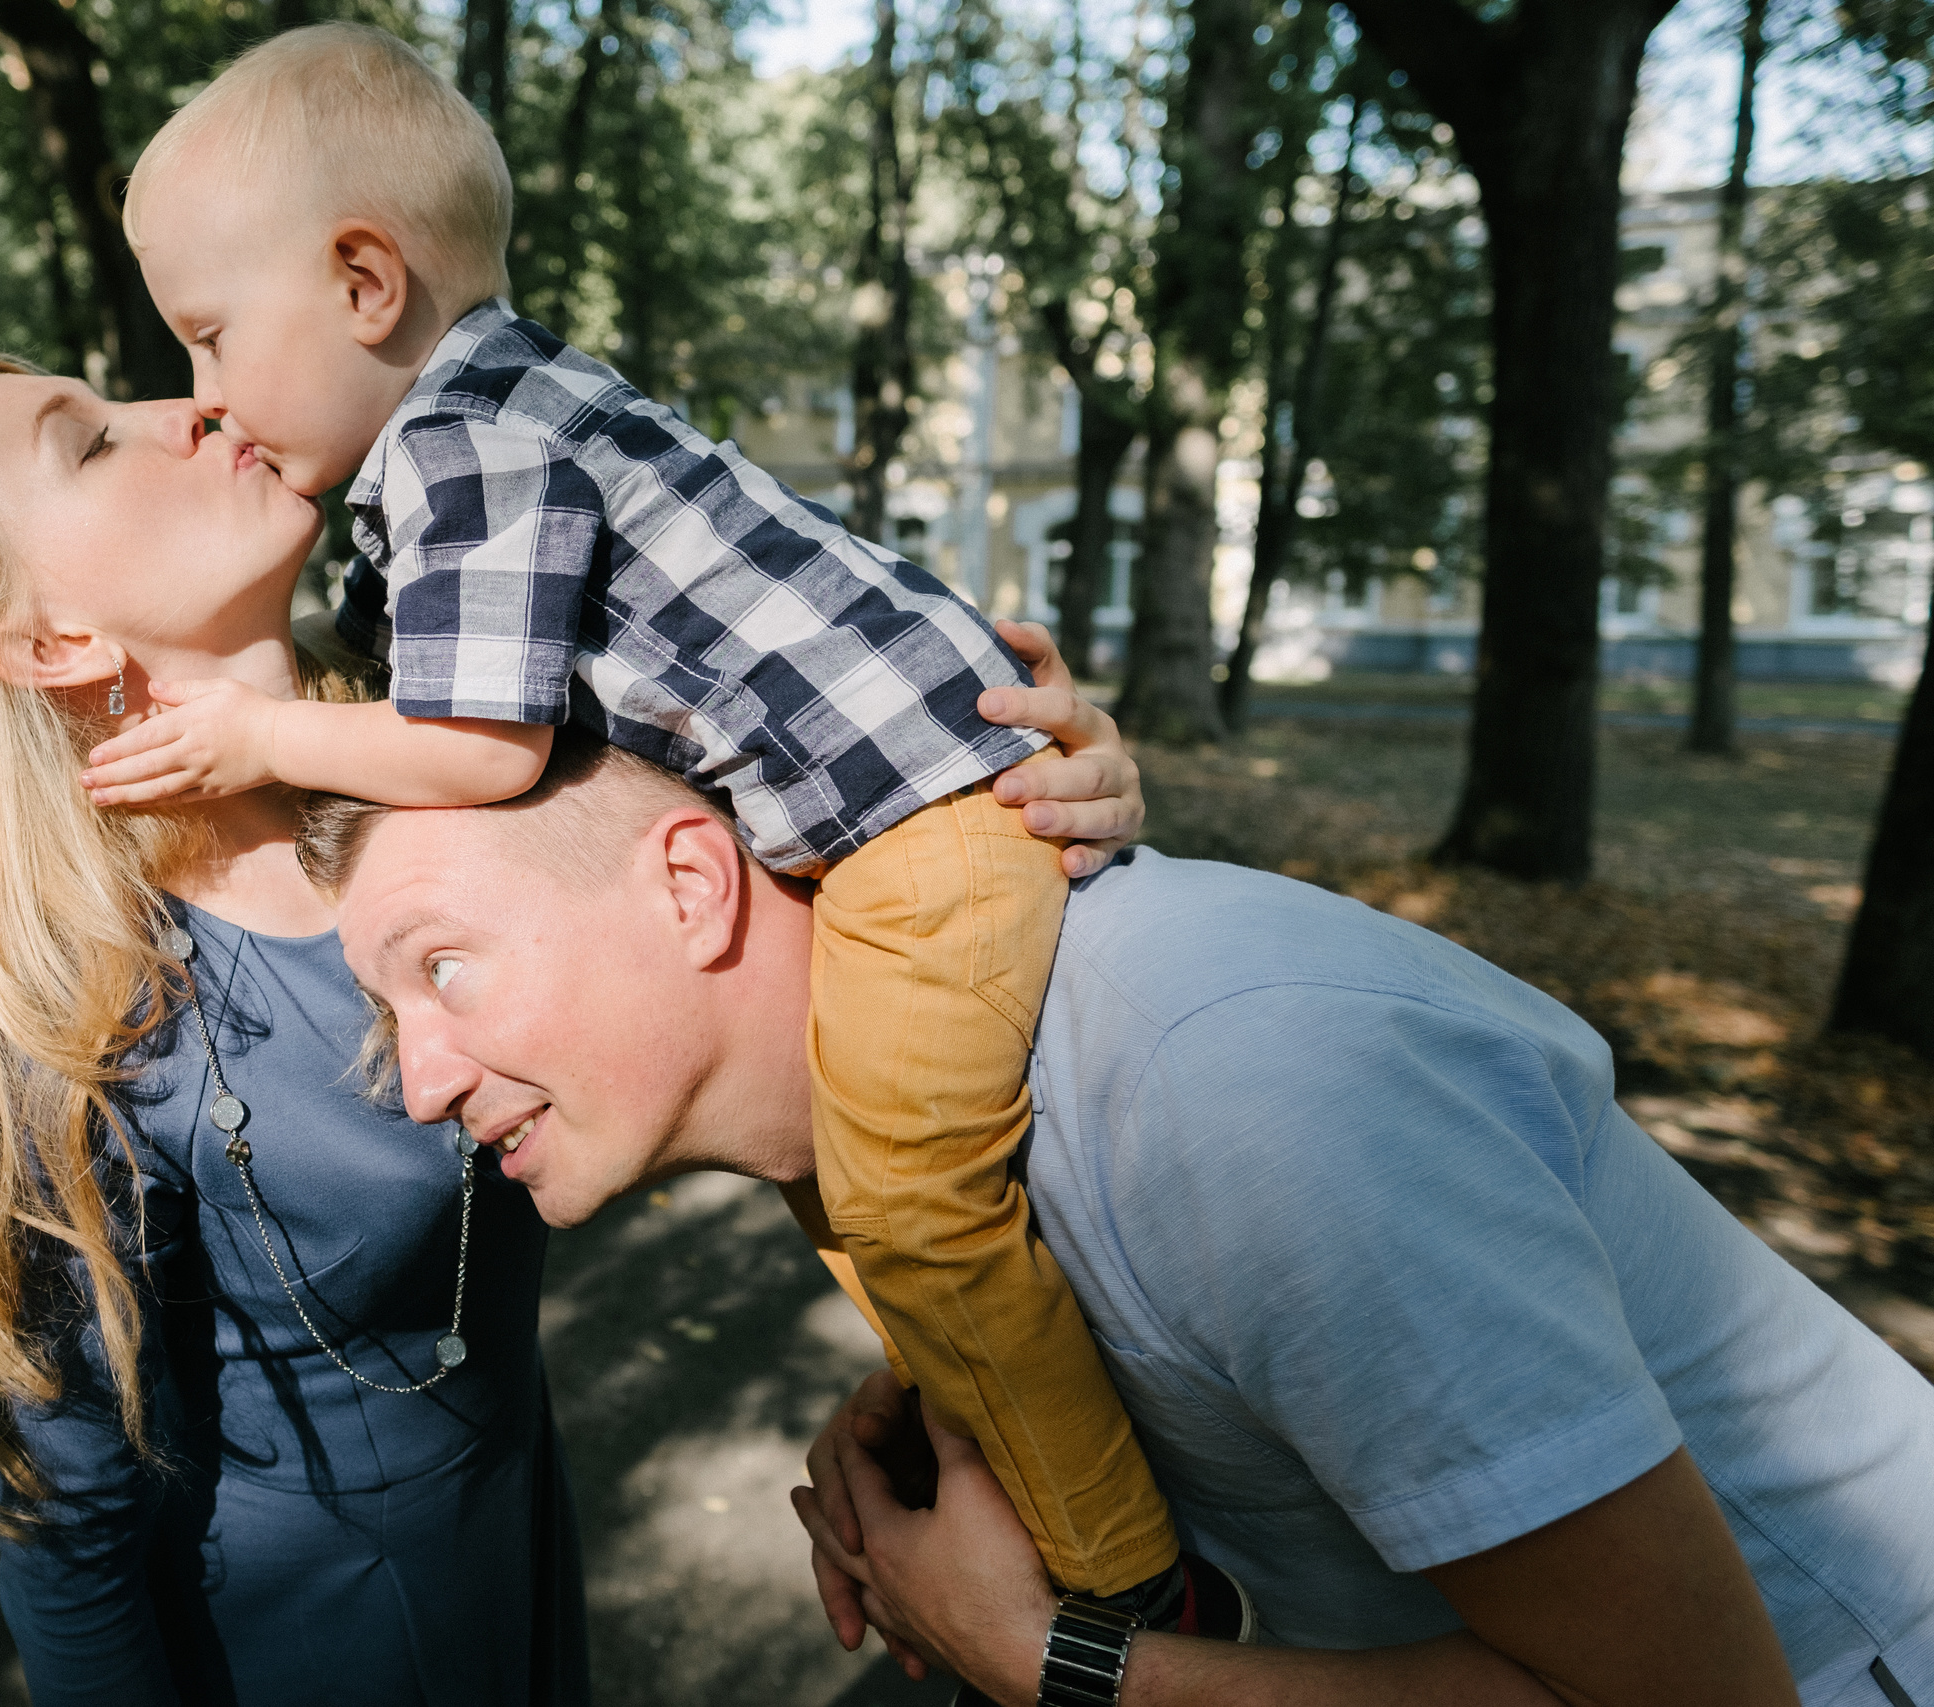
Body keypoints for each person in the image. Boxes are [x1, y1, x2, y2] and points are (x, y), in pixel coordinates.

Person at [0, 353, 1143, 1704]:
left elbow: (836, 857)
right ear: (46, 640)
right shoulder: (81, 1027)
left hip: (521, 1542)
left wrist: (1032, 781)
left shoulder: (489, 757)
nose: (187, 402)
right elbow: (70, 1534)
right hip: (304, 1643)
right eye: (88, 440)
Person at [78, 19, 1229, 1630]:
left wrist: (259, 726)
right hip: (895, 808)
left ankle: (1135, 1585)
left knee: (900, 1193)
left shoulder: (464, 442)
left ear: (363, 285)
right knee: (859, 1196)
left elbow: (481, 741)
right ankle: (1036, 1497)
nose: (198, 396)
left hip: (919, 818)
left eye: (205, 339)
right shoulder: (470, 448)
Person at [298, 732, 1934, 1707]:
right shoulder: (888, 1164)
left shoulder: (1231, 1085)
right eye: (383, 1020)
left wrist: (1059, 1669)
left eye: (442, 968)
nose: (420, 1080)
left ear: (690, 880)